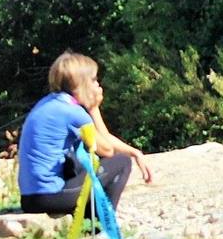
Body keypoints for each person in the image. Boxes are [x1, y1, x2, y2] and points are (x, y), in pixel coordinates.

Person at [17, 51, 153, 215]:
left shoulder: (48, 103)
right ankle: (99, 226)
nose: (97, 85)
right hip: (50, 196)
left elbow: (99, 138)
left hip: (29, 199)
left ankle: (86, 218)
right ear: (80, 84)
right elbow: (108, 150)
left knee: (90, 155)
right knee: (122, 162)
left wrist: (135, 152)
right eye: (94, 80)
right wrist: (94, 109)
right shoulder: (73, 112)